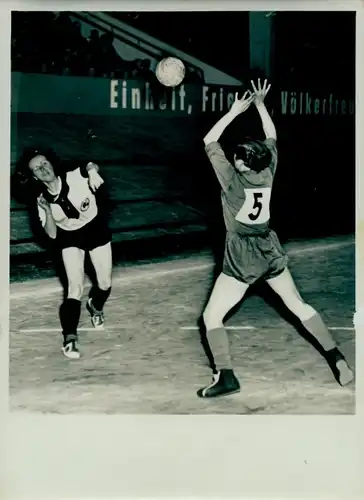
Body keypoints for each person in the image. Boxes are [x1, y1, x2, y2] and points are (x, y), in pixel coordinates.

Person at [198, 78, 354, 398]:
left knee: (211, 315)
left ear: (241, 164)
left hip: (242, 255)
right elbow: (271, 136)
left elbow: (209, 139)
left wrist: (233, 112)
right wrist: (258, 105)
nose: (234, 159)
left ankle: (226, 375)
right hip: (269, 247)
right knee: (298, 305)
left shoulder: (232, 182)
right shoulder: (267, 169)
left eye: (237, 157)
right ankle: (337, 358)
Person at [13, 147, 113, 359]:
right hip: (70, 238)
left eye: (45, 164)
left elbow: (89, 165)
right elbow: (51, 234)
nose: (43, 169)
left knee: (104, 283)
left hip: (95, 229)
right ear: (34, 176)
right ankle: (70, 339)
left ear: (51, 163)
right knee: (74, 288)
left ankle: (95, 305)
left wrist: (94, 172)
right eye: (37, 169)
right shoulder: (41, 200)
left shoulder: (74, 177)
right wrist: (48, 211)